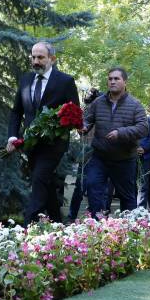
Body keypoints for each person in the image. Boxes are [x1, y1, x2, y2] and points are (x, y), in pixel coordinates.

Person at [7, 42, 79, 225]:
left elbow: (75, 114)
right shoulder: (25, 80)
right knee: (45, 183)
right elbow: (16, 111)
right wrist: (13, 137)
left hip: (53, 145)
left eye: (40, 57)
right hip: (30, 144)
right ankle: (58, 224)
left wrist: (56, 126)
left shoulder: (65, 81)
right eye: (33, 57)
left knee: (39, 181)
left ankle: (26, 228)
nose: (36, 61)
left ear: (52, 59)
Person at [82, 67, 148, 216]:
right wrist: (84, 127)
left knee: (127, 197)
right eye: (110, 78)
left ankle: (128, 230)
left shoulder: (135, 104)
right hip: (100, 157)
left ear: (125, 81)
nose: (112, 81)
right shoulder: (98, 102)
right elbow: (87, 120)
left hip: (124, 159)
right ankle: (95, 225)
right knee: (92, 186)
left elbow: (143, 128)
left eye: (116, 79)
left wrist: (121, 133)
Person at [67, 87, 101, 221]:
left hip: (98, 152)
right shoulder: (87, 111)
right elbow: (80, 130)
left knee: (95, 187)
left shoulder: (101, 111)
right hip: (87, 152)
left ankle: (95, 216)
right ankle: (72, 215)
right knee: (81, 186)